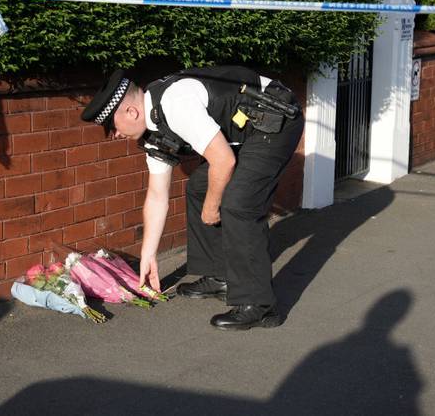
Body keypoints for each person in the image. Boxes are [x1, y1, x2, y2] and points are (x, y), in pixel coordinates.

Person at [80, 66, 303, 330]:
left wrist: (211, 208)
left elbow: (223, 160)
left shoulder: (176, 104)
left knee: (239, 203)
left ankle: (260, 306)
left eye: (111, 127)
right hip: (246, 131)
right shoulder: (154, 129)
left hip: (275, 120)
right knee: (199, 186)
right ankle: (221, 276)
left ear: (131, 112)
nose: (115, 135)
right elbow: (156, 195)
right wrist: (148, 254)